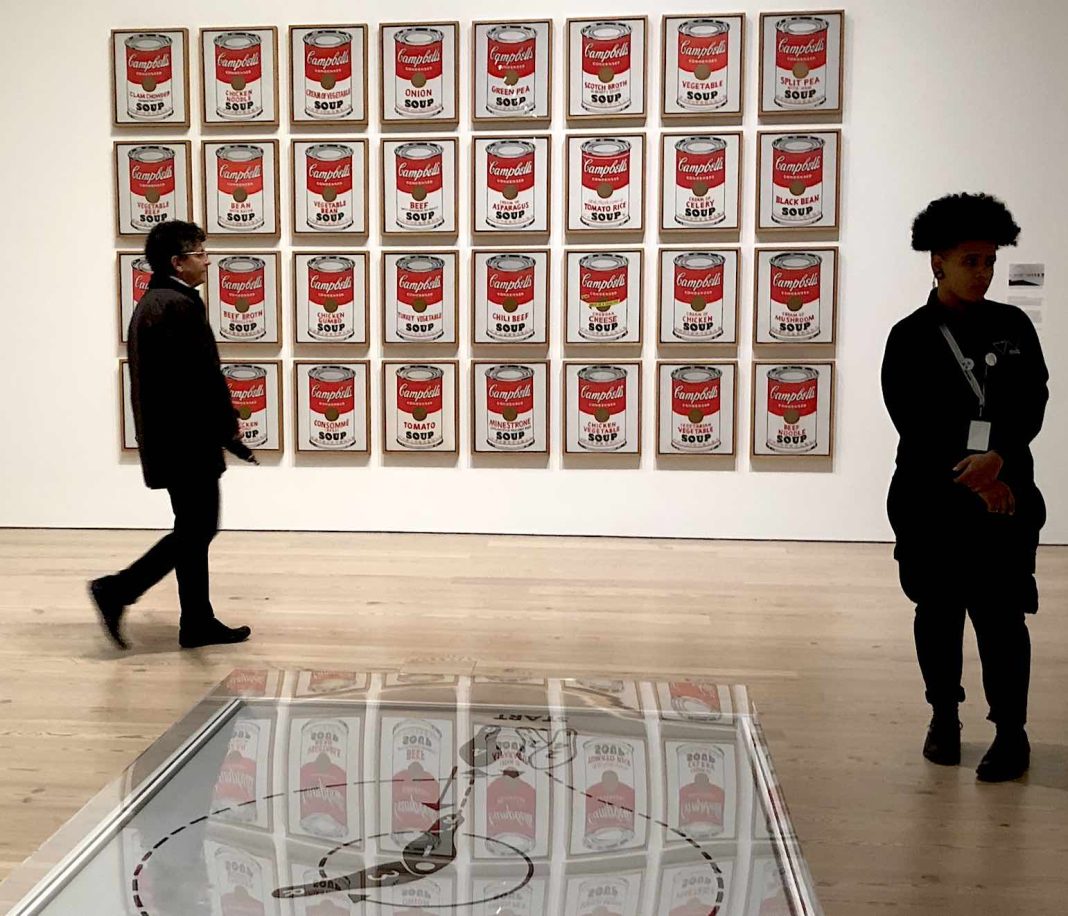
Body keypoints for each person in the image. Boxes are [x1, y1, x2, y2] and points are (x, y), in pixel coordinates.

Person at [881, 193, 1048, 782]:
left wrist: (998, 460)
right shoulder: (909, 337)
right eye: (970, 261)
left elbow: (1032, 402)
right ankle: (944, 719)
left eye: (990, 261)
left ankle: (1011, 732)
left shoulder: (1014, 326)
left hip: (1006, 494)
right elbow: (914, 421)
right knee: (938, 612)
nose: (983, 273)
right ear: (938, 262)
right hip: (932, 499)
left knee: (1003, 619)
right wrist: (976, 479)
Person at [90, 220, 256, 650]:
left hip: (175, 437)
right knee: (198, 529)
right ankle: (118, 589)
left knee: (193, 529)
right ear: (178, 262)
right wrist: (227, 429)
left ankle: (196, 621)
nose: (207, 261)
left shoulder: (158, 302)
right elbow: (200, 378)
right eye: (200, 253)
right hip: (186, 440)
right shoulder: (175, 305)